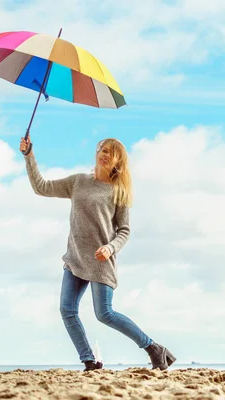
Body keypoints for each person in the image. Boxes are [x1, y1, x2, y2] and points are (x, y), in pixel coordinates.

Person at [19, 135, 175, 371]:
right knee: (67, 309)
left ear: (118, 163)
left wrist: (110, 247)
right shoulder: (78, 181)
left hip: (101, 261)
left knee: (105, 313)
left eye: (111, 153)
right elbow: (41, 187)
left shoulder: (119, 192)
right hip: (75, 258)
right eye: (102, 149)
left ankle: (154, 348)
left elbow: (124, 230)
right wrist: (29, 156)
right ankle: (89, 361)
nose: (104, 154)